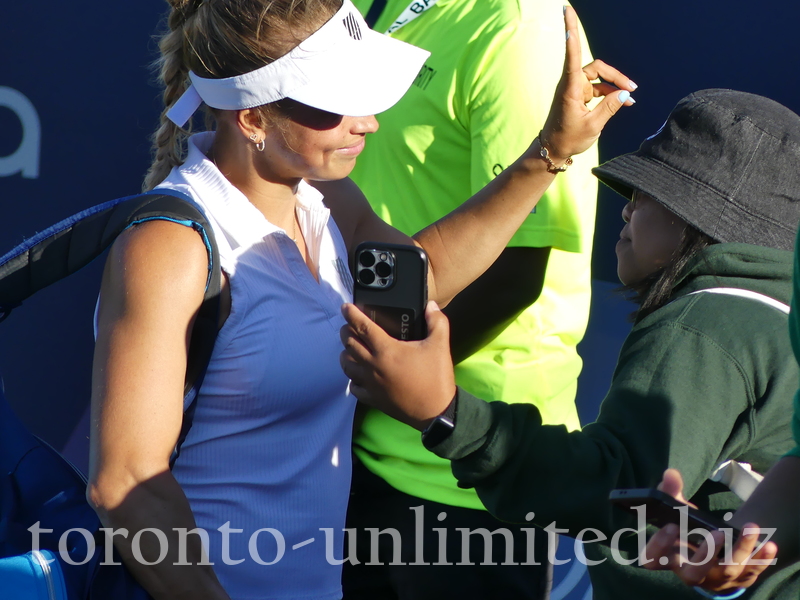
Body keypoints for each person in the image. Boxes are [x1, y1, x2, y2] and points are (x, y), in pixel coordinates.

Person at [84, 1, 634, 599]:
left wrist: (549, 152)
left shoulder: (328, 204)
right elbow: (125, 482)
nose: (367, 120)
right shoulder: (169, 250)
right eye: (337, 100)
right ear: (253, 119)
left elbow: (417, 281)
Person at [339, 88, 800, 599]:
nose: (627, 211)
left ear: (702, 223)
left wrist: (445, 413)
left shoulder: (702, 326)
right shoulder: (778, 316)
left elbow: (614, 491)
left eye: (648, 195)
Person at [342, 0, 603, 596]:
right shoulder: (369, 7)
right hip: (362, 444)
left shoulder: (521, 28)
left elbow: (515, 271)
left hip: (467, 475)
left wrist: (369, 383)